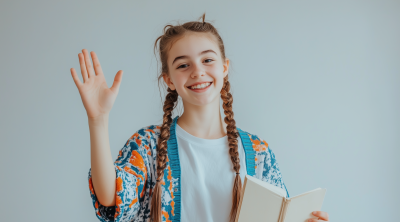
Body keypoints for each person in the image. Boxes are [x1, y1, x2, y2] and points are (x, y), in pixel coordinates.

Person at [70, 14, 329, 222]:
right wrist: (98, 120)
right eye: (183, 65)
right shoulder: (148, 144)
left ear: (224, 67)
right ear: (169, 80)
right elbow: (110, 197)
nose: (197, 71)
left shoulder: (258, 152)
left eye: (207, 59)